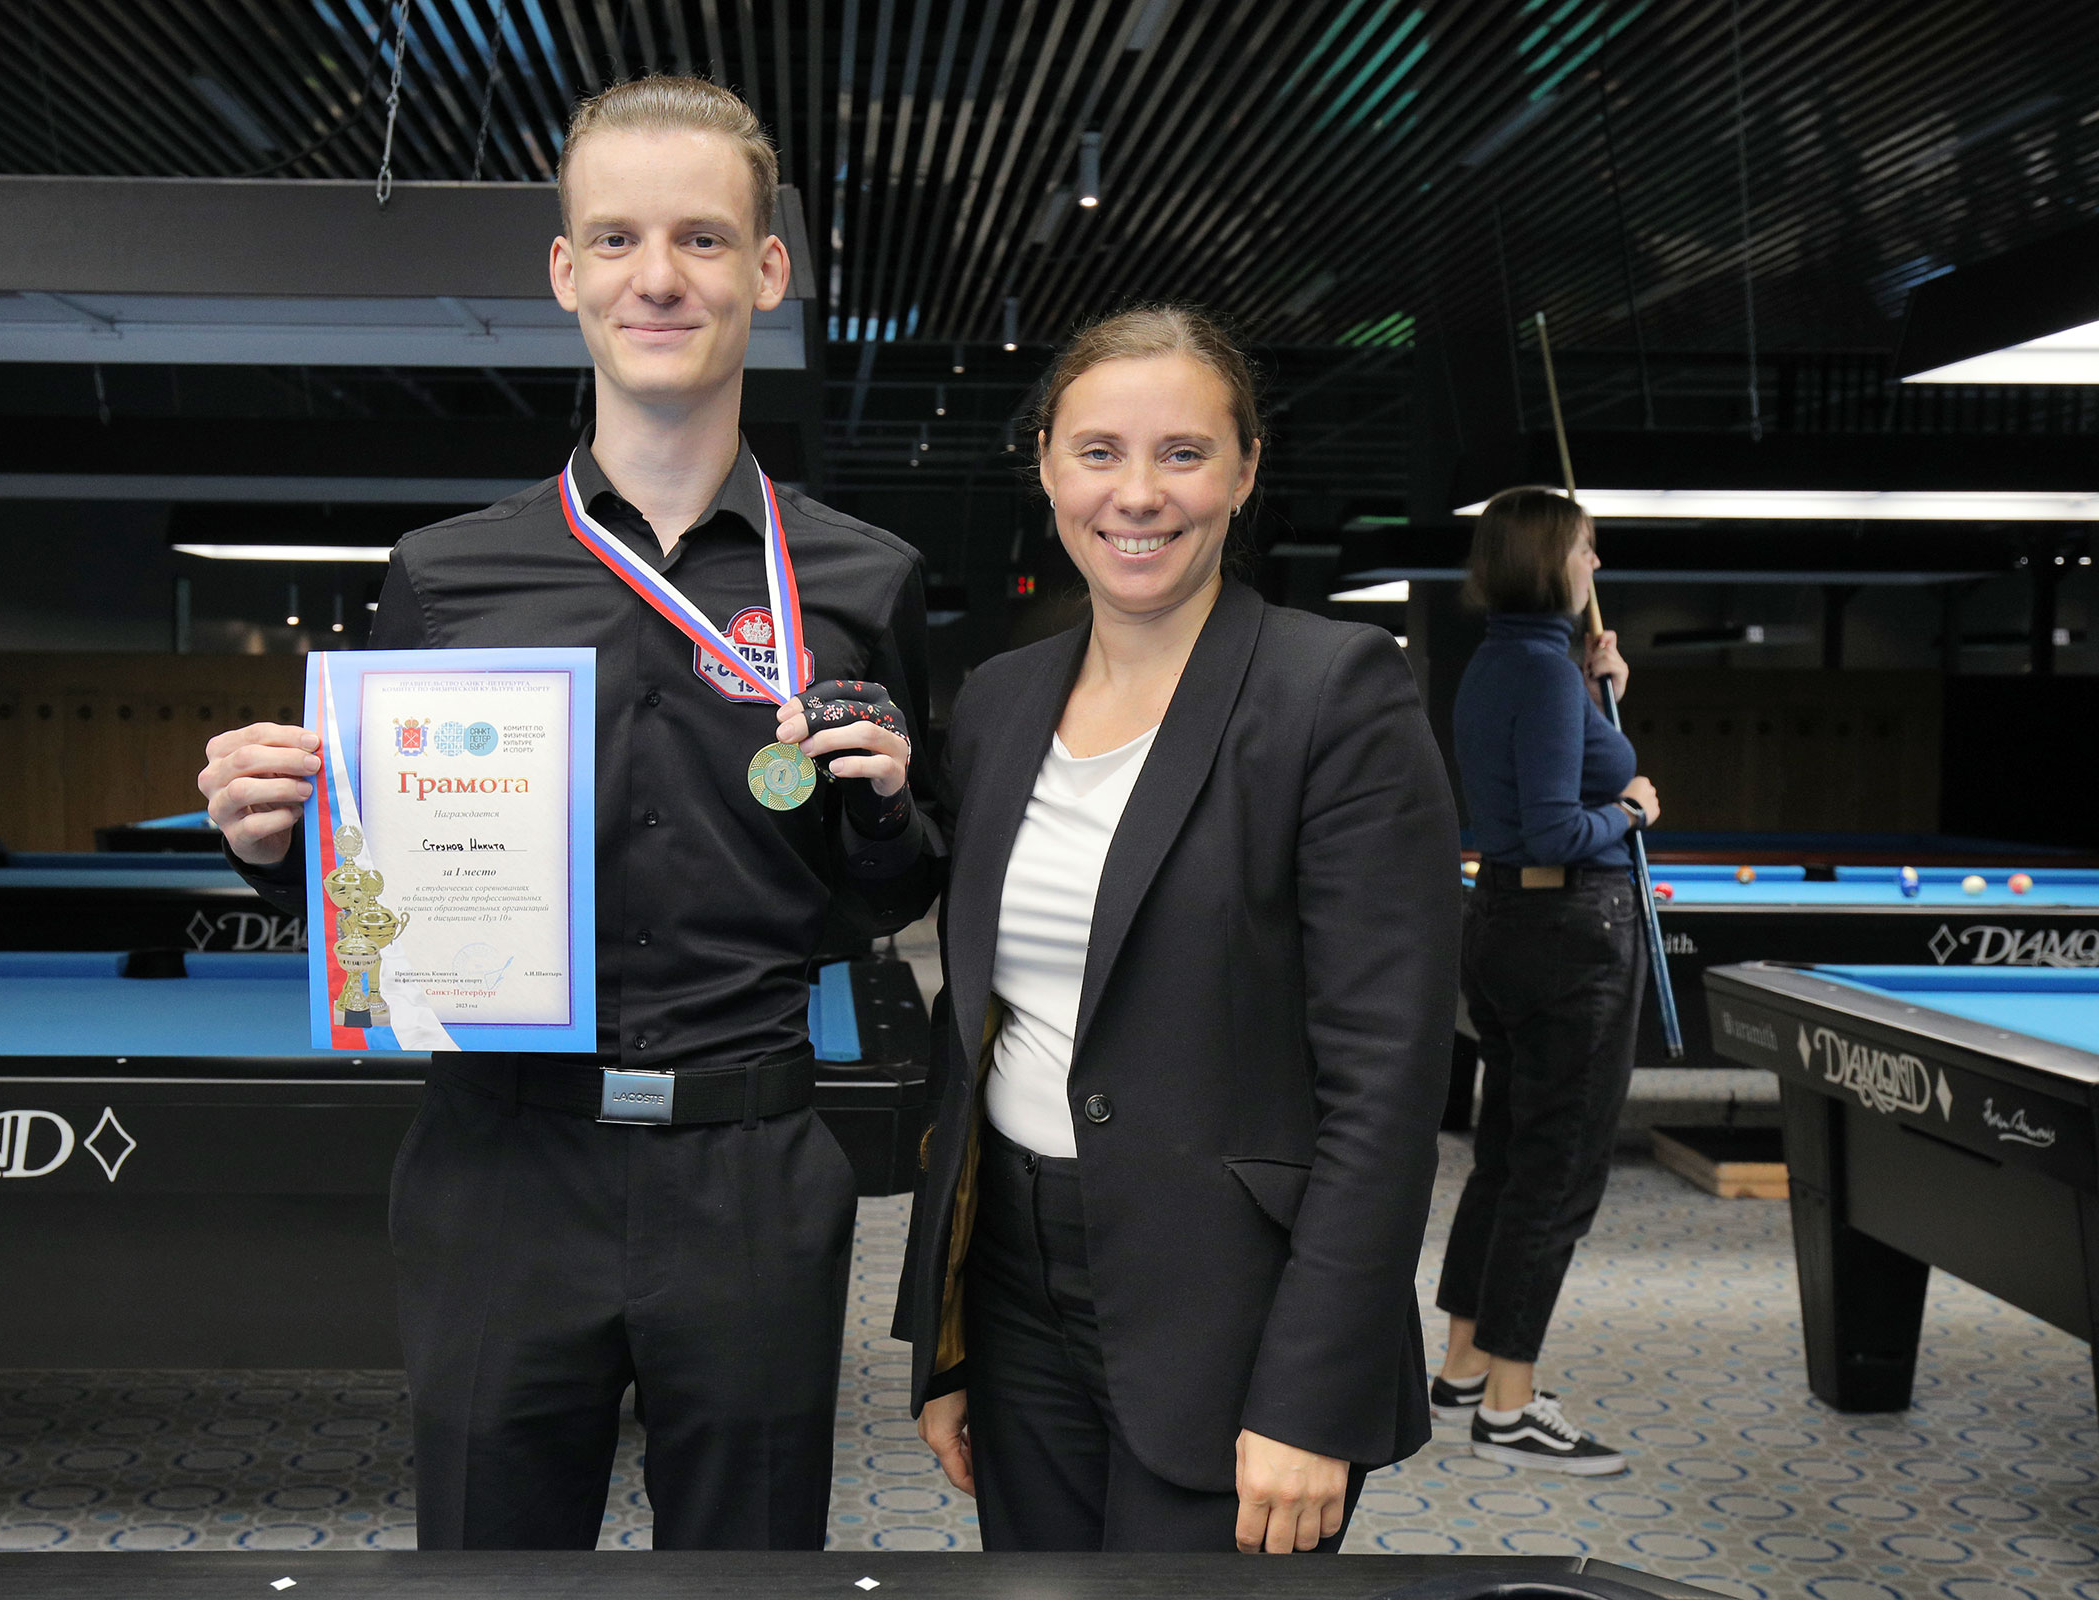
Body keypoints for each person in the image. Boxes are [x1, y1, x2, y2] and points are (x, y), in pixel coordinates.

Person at [195, 75, 941, 1552]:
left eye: (701, 238)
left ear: (768, 269)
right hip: (501, 1163)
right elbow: (377, 895)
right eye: (616, 239)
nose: (657, 277)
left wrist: (883, 816)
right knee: (488, 1568)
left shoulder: (867, 579)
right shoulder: (443, 574)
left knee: (750, 1578)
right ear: (565, 271)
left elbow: (891, 891)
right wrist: (275, 846)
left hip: (749, 1165)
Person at [893, 306, 1459, 1553]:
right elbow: (972, 1027)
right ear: (1047, 467)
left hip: (1232, 1304)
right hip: (1015, 1286)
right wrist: (946, 1329)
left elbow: (1387, 1085)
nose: (1138, 494)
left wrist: (1312, 1394)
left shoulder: (1335, 692)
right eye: (1098, 451)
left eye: (1184, 453)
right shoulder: (997, 703)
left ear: (1246, 470)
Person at [1429, 486, 1660, 1476]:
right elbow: (1558, 829)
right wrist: (1635, 809)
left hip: (1508, 925)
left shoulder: (1504, 661)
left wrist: (1599, 684)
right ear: (1548, 559)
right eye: (1585, 549)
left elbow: (1540, 793)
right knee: (1556, 1172)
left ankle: (1465, 1369)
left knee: (1507, 1155)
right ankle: (1512, 1407)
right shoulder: (1543, 675)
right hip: (1572, 933)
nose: (1594, 565)